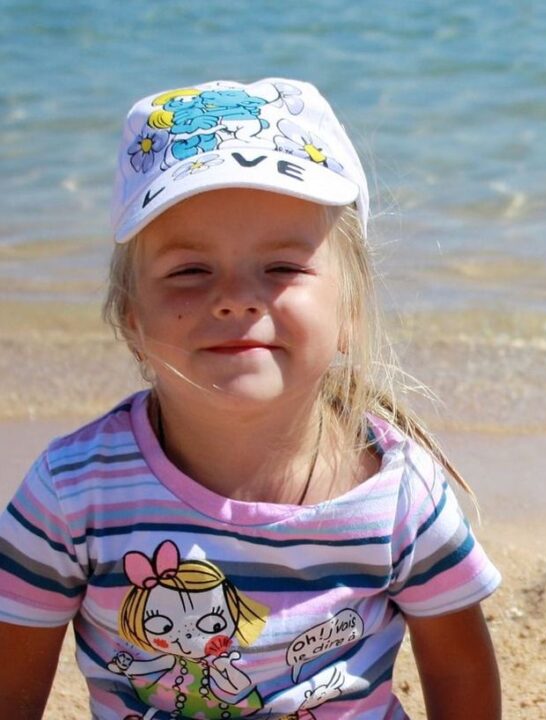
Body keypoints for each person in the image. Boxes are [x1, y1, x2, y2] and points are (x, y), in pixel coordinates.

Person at [0, 78, 502, 720]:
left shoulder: (397, 493)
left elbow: (459, 673)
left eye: (283, 267)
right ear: (131, 318)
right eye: (189, 270)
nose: (234, 297)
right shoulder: (73, 494)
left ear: (349, 309)